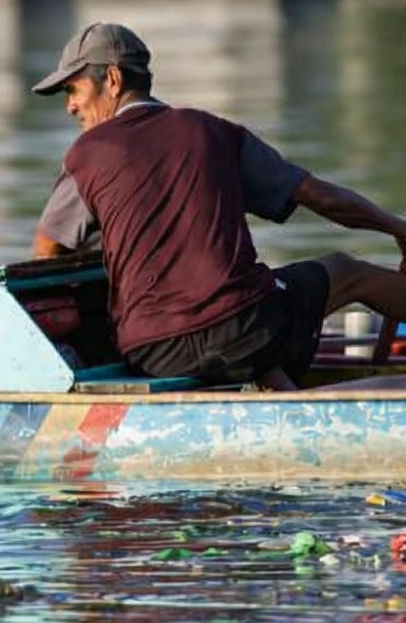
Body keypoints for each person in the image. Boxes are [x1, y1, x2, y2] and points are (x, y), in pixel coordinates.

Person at [30, 21, 406, 390]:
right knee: (346, 270)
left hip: (152, 351)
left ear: (112, 80)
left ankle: (272, 383)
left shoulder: (85, 156)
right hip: (247, 328)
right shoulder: (214, 133)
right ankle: (276, 381)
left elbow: (45, 255)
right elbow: (320, 197)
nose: (70, 106)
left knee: (249, 330)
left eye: (72, 90)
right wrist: (397, 227)